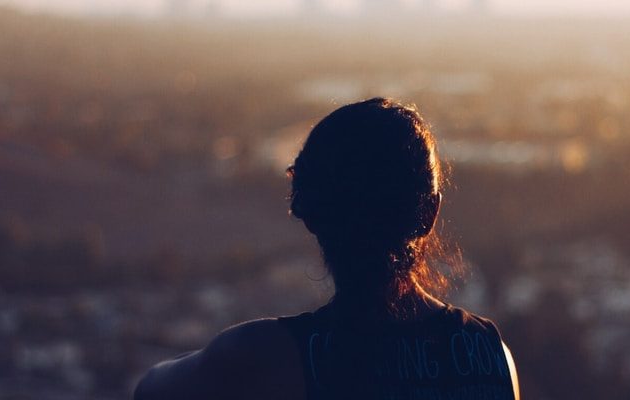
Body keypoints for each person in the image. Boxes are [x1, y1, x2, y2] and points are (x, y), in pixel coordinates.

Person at [134, 98, 520, 400]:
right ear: (429, 213)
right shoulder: (489, 356)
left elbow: (149, 389)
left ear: (311, 215)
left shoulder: (264, 357)